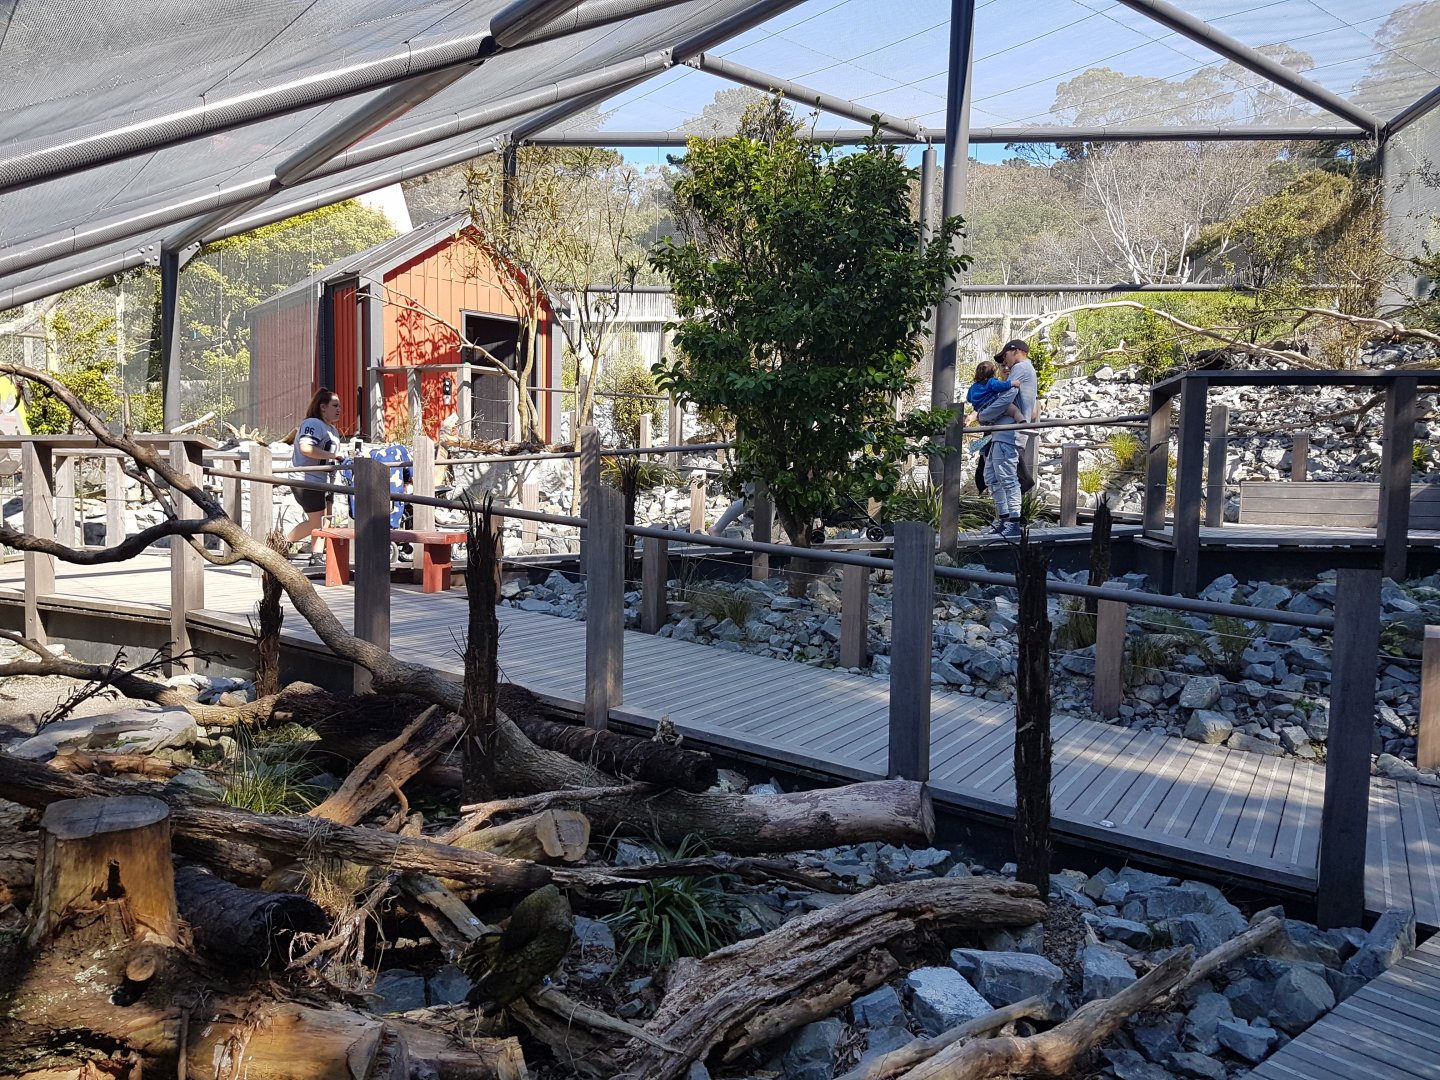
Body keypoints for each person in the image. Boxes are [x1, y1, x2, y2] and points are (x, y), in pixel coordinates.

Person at [983, 340, 1039, 540]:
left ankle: (1014, 523)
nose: (1004, 364)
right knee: (991, 476)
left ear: (1016, 351)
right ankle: (1004, 520)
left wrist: (982, 415)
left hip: (1009, 433)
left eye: (1005, 355)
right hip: (1002, 432)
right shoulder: (1024, 370)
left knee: (1007, 478)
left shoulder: (1022, 368)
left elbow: (1007, 397)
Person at [285, 387, 346, 556]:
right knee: (316, 523)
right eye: (335, 405)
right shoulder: (313, 424)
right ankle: (281, 544)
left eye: (339, 406)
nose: (339, 409)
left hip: (325, 481)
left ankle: (316, 555)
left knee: (325, 522)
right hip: (307, 478)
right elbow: (306, 448)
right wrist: (334, 455)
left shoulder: (332, 430)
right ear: (322, 406)